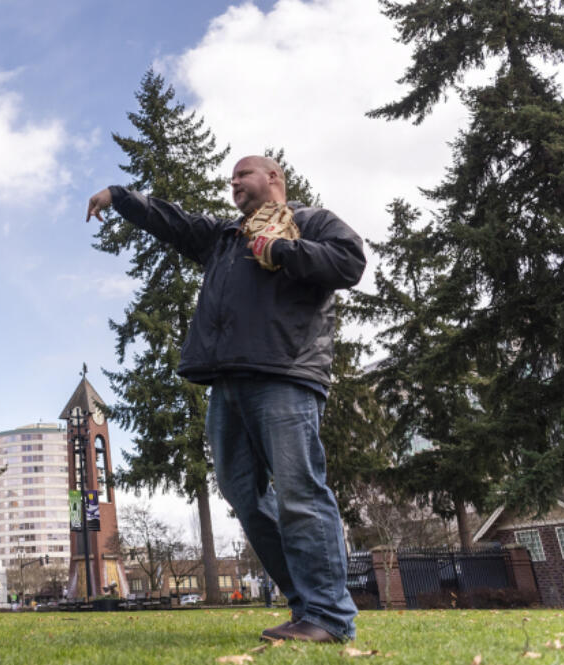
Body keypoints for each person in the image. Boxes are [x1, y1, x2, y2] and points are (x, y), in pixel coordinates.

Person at [85, 155, 364, 643]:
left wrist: (282, 251)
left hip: (285, 375)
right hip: (227, 381)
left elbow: (348, 261)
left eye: (243, 175)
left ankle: (331, 616)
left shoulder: (310, 220)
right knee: (244, 496)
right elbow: (174, 221)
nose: (233, 182)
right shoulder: (225, 237)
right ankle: (307, 609)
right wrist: (121, 196)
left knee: (300, 492)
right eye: (231, 177)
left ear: (273, 178)